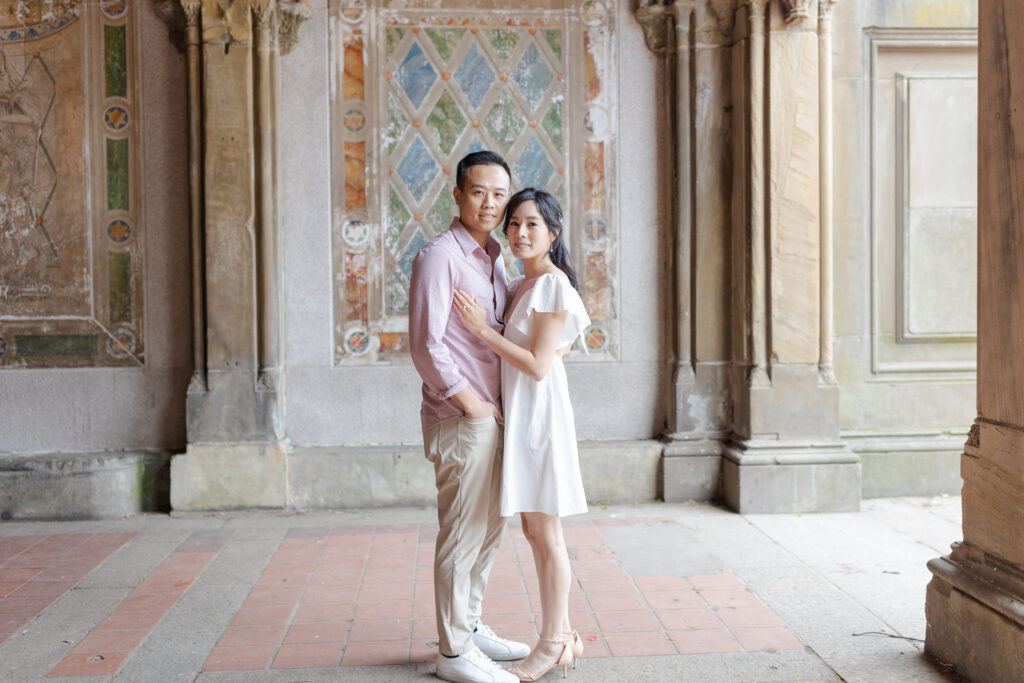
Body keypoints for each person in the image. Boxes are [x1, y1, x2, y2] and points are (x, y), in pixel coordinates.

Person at [454, 188, 590, 681]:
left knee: (546, 532)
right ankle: (567, 635)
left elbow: (536, 365)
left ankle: (552, 642)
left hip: (541, 416)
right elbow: (550, 353)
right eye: (513, 224)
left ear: (553, 232)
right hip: (526, 415)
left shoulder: (551, 286)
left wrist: (480, 330)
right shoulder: (522, 286)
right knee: (535, 529)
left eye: (532, 224)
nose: (519, 232)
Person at [409, 151, 530, 683]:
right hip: (462, 417)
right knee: (462, 532)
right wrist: (471, 402)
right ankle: (454, 653)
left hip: (494, 415)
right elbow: (424, 344)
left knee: (489, 528)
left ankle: (470, 627)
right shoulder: (441, 256)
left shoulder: (494, 259)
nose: (490, 203)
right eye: (478, 191)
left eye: (499, 194)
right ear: (457, 194)